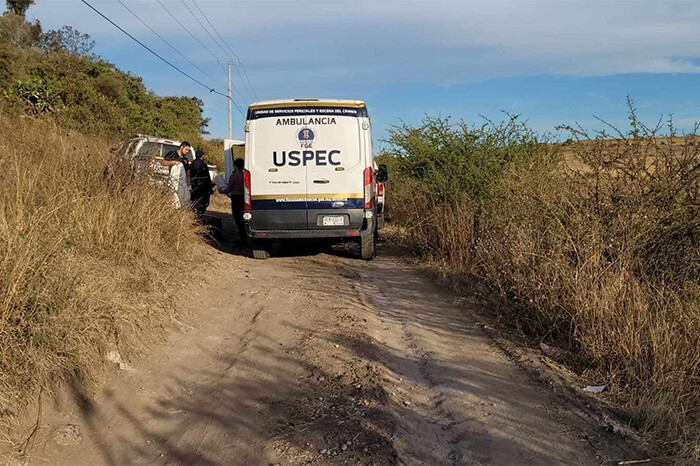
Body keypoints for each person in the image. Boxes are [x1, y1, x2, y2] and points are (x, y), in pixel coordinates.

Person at [219, 158, 247, 245]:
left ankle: (242, 239)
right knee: (242, 219)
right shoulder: (244, 176)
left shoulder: (234, 176)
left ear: (235, 166)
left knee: (238, 219)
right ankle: (244, 238)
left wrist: (221, 190)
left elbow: (228, 189)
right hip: (243, 198)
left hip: (235, 198)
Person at [189, 149, 213, 218]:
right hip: (202, 189)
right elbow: (206, 177)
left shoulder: (193, 163)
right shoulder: (203, 164)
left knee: (194, 204)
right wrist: (210, 188)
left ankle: (194, 216)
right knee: (201, 206)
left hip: (194, 187)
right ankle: (199, 218)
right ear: (202, 156)